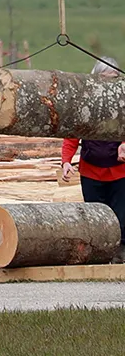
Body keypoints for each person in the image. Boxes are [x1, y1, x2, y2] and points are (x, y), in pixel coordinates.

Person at [61, 57, 125, 262]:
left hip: (120, 172)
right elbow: (72, 135)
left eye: (114, 78)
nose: (109, 83)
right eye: (105, 78)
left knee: (121, 218)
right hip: (91, 172)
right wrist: (66, 161)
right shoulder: (84, 103)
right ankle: (99, 256)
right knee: (95, 218)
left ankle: (120, 255)